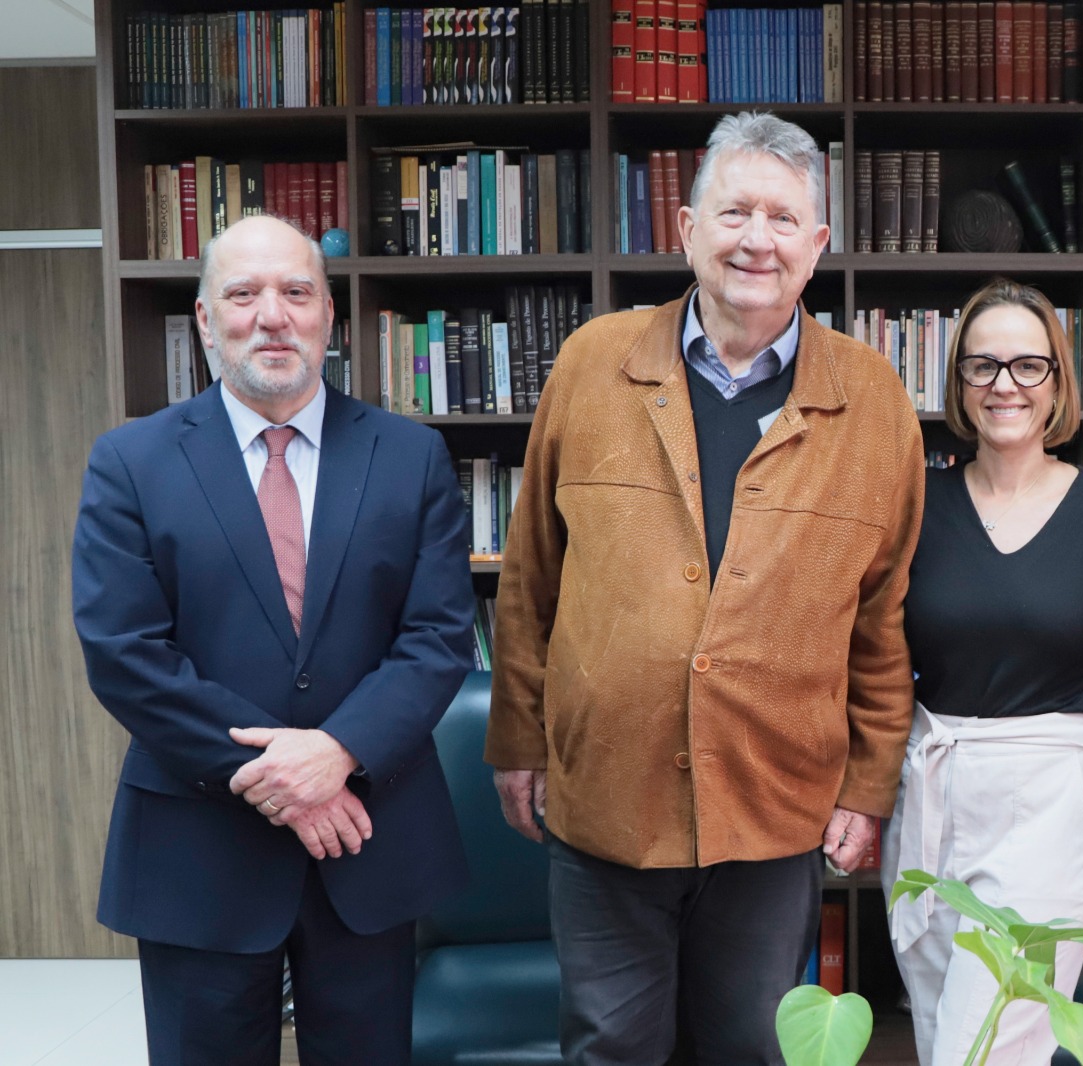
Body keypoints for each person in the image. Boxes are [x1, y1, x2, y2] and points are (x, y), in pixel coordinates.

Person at [484, 110, 925, 1065]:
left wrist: (869, 783)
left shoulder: (874, 399)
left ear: (816, 246)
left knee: (747, 1047)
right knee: (610, 1044)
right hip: (606, 794)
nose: (754, 239)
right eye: (734, 212)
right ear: (686, 228)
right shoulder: (593, 364)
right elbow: (530, 578)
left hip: (773, 802)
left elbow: (882, 620)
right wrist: (519, 738)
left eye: (781, 219)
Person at [72, 214, 477, 1065]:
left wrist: (337, 752)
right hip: (197, 850)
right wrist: (285, 780)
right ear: (204, 317)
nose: (273, 315)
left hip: (369, 840)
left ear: (329, 314)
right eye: (244, 294)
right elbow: (126, 653)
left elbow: (437, 636)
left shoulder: (411, 457)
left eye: (297, 292)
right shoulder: (131, 462)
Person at [882, 278, 1083, 1065]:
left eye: (1029, 366)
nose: (1005, 385)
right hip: (928, 786)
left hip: (1047, 801)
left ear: (1058, 380)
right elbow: (876, 659)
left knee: (993, 1040)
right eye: (983, 365)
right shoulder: (914, 504)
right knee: (937, 1028)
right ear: (958, 380)